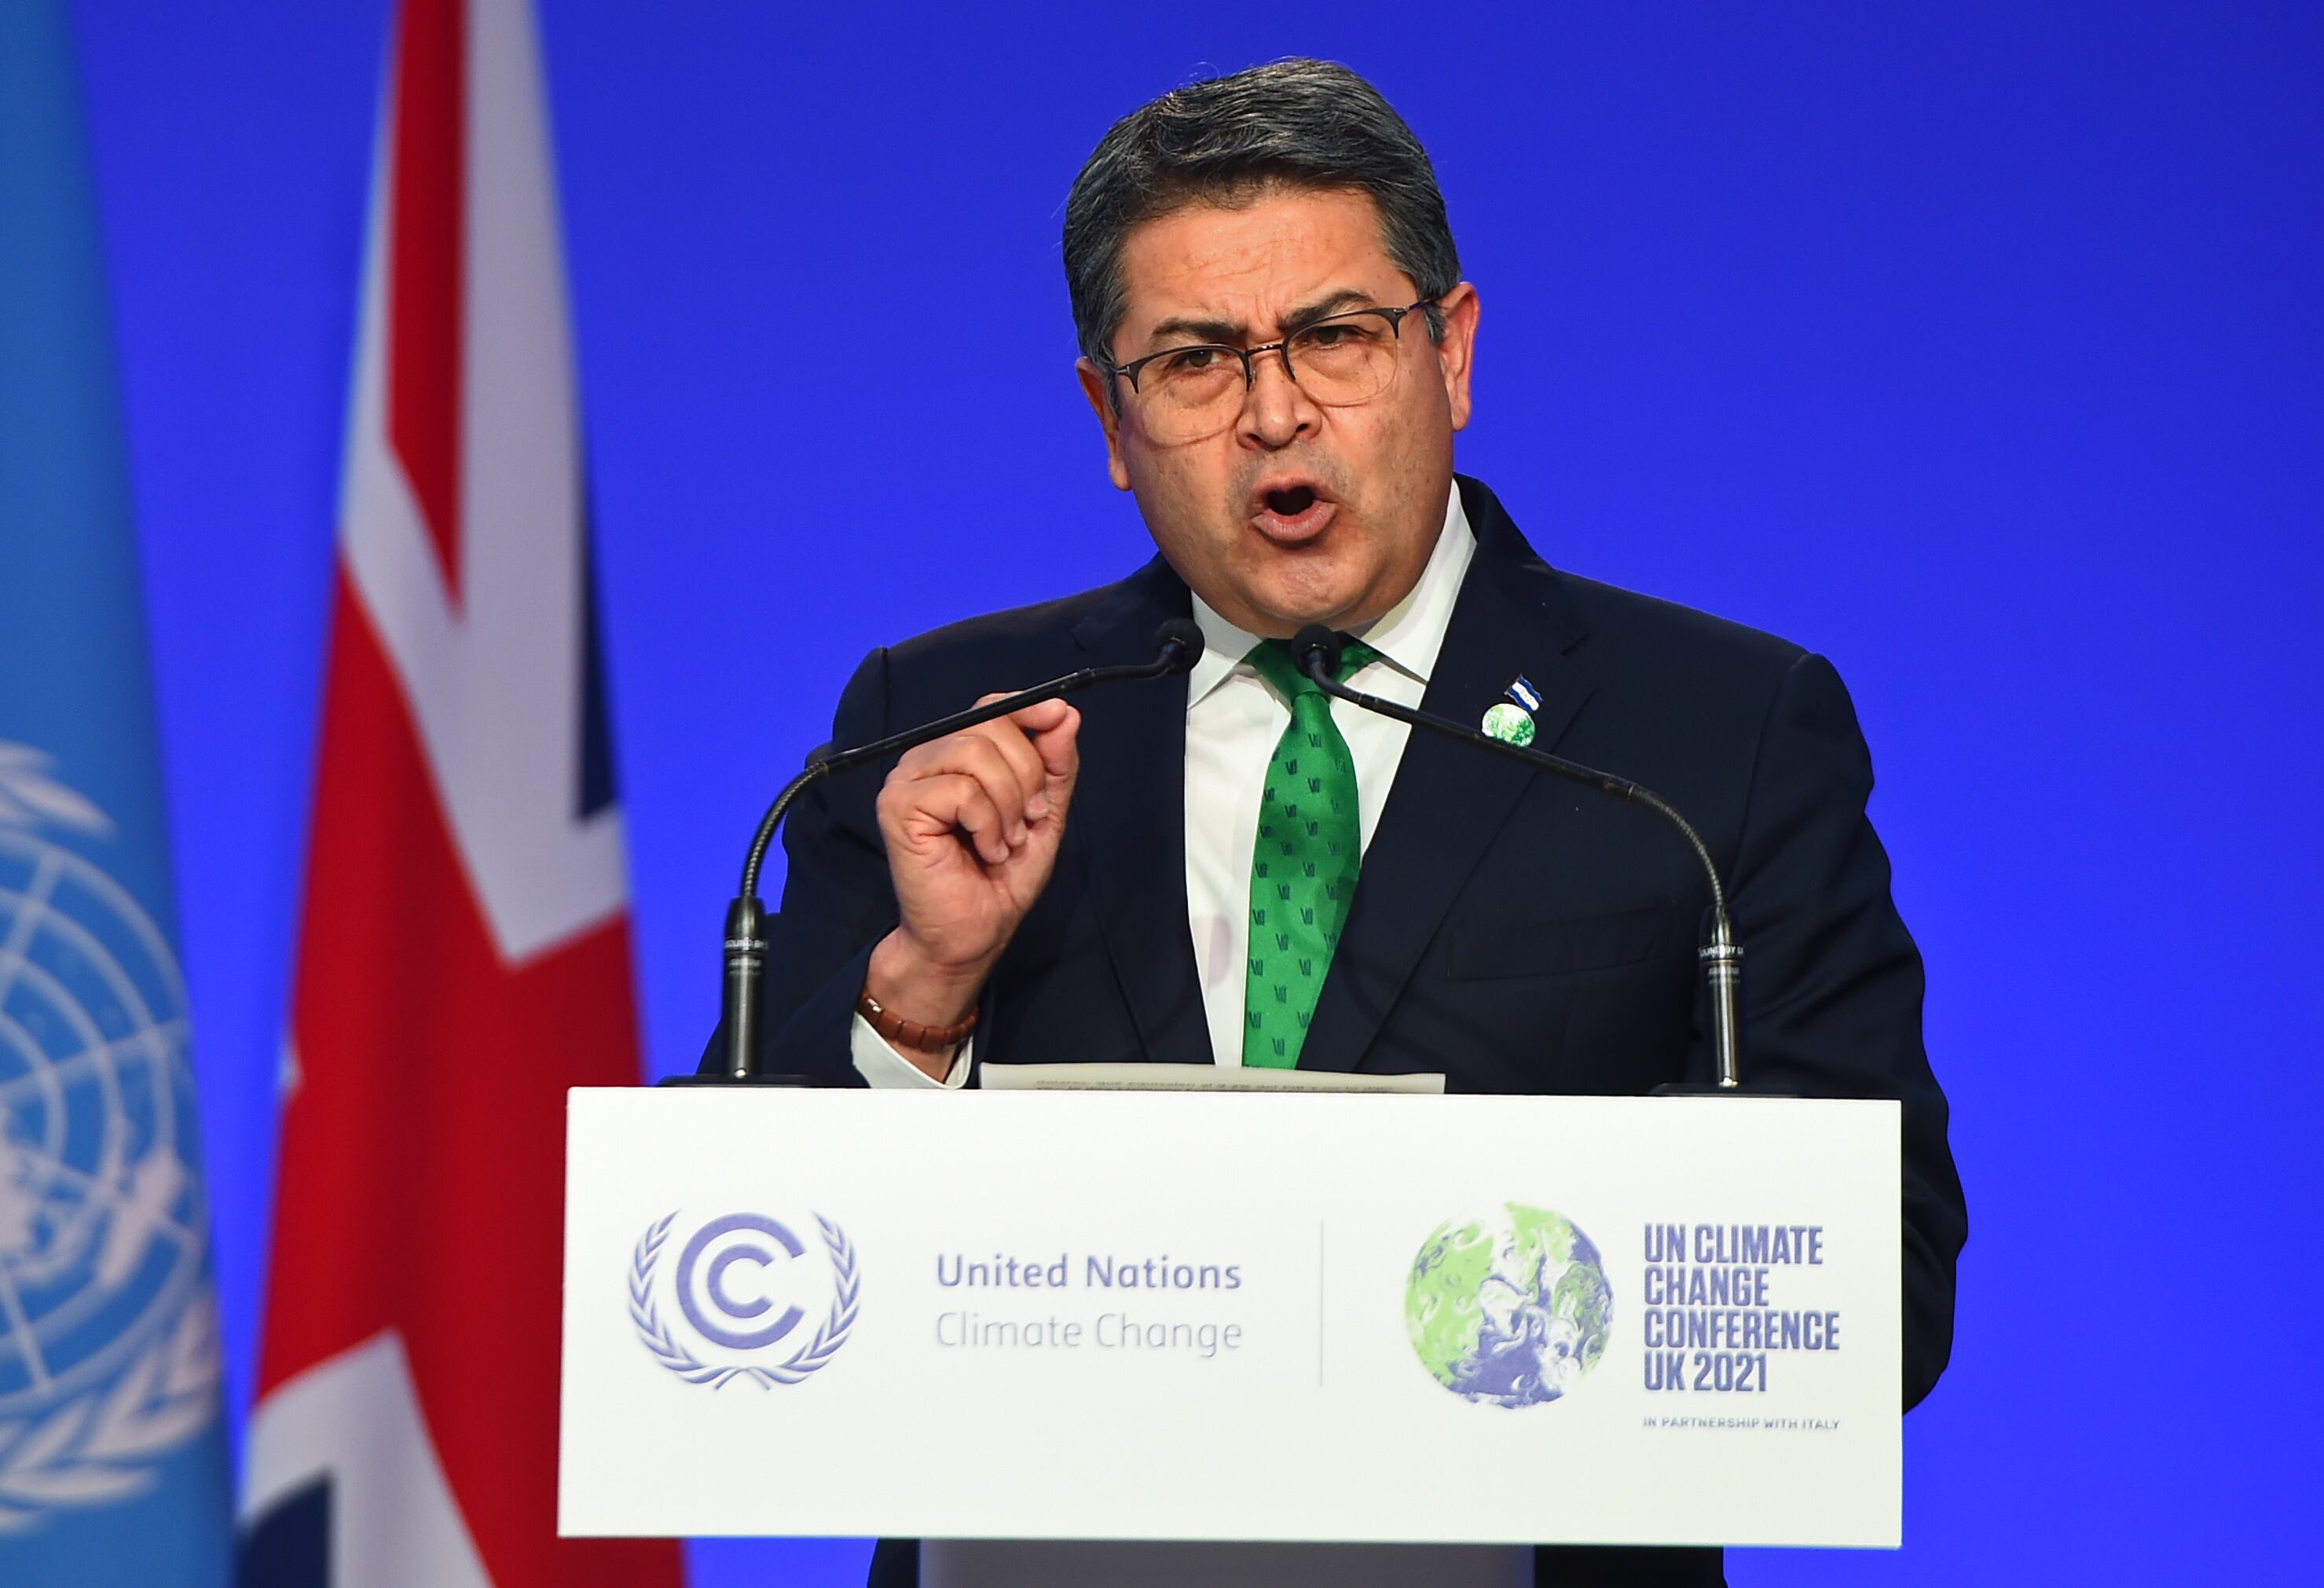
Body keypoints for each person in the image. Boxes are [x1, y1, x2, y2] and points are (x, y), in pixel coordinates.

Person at [719, 58, 1965, 1588]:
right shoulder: (949, 722)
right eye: (1190, 360)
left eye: (1331, 336)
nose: (1271, 412)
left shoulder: (1710, 733)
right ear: (1108, 421)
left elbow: (1879, 1300)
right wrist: (918, 998)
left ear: (1449, 354)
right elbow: (735, 1287)